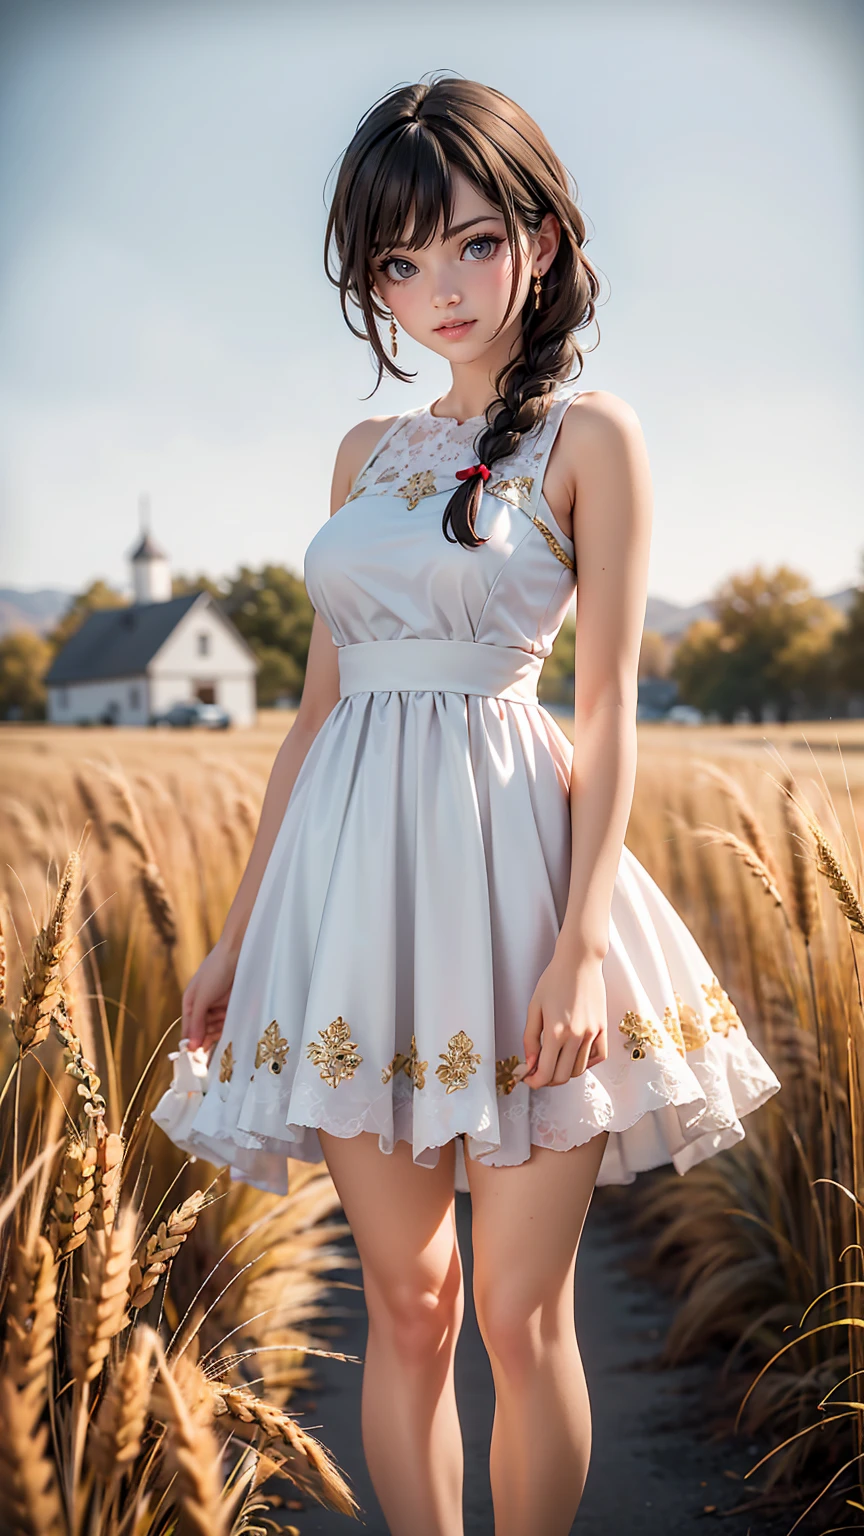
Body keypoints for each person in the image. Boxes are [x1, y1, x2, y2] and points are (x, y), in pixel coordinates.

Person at [152, 75, 782, 1536]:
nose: (437, 287)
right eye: (398, 261)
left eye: (473, 244)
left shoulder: (590, 437)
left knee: (517, 1310)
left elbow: (608, 704)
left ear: (544, 242)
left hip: (523, 878)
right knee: (410, 1302)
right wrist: (240, 936)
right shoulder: (364, 458)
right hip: (352, 895)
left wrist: (575, 949)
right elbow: (315, 715)